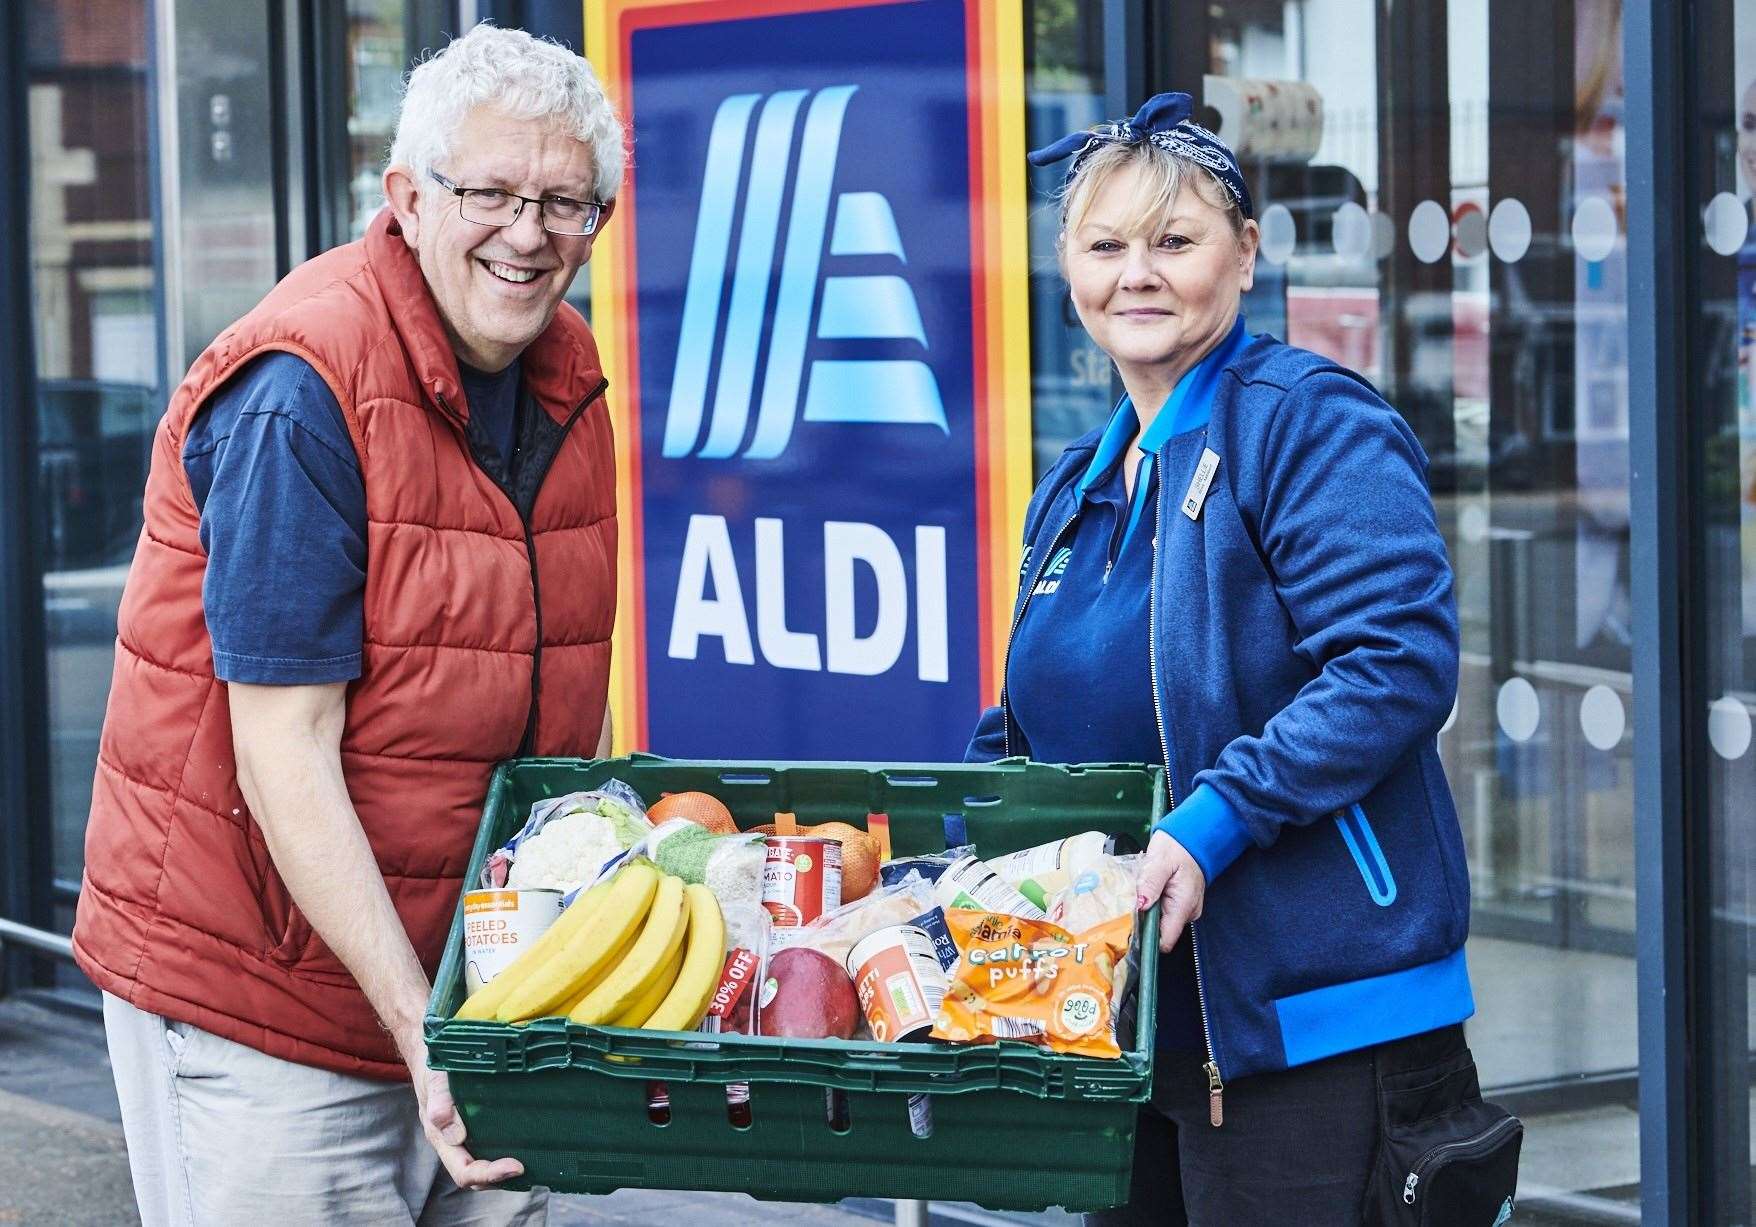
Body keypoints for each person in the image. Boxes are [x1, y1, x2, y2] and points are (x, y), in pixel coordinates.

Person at [72, 25, 622, 1225]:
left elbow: (546, 697)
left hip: (471, 998)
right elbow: (284, 751)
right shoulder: (302, 390)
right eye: (490, 193)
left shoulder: (564, 375)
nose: (528, 235)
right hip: (267, 1001)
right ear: (407, 198)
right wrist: (422, 1030)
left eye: (566, 203)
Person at [967, 94, 1478, 1222]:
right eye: (1104, 247)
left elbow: (1393, 662)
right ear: (1069, 272)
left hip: (1319, 1029)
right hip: (1131, 1022)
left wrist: (1212, 823)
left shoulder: (1306, 425)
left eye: (1173, 241)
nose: (1135, 274)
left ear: (1244, 256)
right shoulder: (1075, 487)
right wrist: (950, 855)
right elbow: (1025, 731)